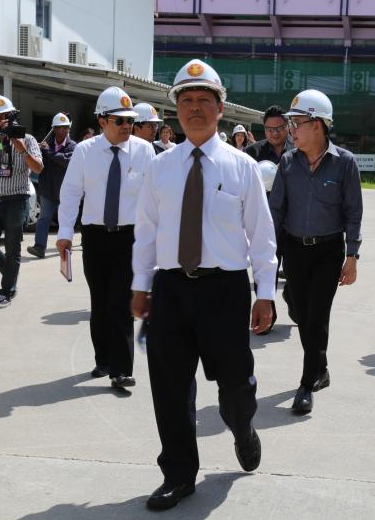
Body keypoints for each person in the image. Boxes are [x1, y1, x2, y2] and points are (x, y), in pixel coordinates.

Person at [130, 58, 276, 511]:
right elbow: (146, 230)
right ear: (176, 109)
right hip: (171, 289)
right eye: (187, 100)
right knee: (170, 387)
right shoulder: (159, 167)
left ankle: (243, 427)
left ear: (220, 108)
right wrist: (141, 284)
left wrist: (265, 293)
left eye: (204, 100)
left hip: (224, 291)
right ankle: (178, 474)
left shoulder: (241, 167)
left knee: (236, 385)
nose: (195, 107)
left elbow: (262, 234)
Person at [269, 89, 363, 414]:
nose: (291, 130)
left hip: (328, 251)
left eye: (297, 123)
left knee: (317, 316)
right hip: (295, 250)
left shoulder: (345, 163)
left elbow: (353, 212)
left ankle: (306, 384)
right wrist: (270, 255)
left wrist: (352, 255)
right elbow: (277, 211)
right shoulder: (287, 162)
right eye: (291, 124)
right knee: (300, 310)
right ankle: (320, 367)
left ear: (319, 125)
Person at [56, 86, 156, 388]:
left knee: (121, 302)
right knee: (99, 302)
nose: (127, 126)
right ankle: (103, 359)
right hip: (95, 237)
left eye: (130, 121)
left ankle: (122, 369)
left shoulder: (144, 151)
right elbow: (71, 193)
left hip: (129, 238)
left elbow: (154, 197)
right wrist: (64, 233)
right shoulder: (85, 152)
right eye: (119, 121)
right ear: (102, 121)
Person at [0, 95, 43, 308]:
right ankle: (10, 273)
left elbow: (38, 168)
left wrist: (20, 146)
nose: (2, 120)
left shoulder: (28, 139)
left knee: (13, 248)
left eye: (6, 116)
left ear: (13, 116)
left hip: (17, 199)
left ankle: (5, 291)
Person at [244, 105, 296, 325]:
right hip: (264, 225)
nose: (274, 133)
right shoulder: (251, 154)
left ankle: (292, 299)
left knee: (295, 275)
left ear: (288, 127)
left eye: (279, 128)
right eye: (269, 129)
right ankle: (267, 315)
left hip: (294, 226)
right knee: (265, 272)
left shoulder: (299, 151)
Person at [27, 113, 76, 258]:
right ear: (53, 129)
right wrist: (37, 150)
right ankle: (39, 247)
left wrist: (48, 152)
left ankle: (66, 246)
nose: (62, 130)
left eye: (65, 128)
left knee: (65, 221)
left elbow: (66, 161)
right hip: (48, 189)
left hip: (65, 191)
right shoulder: (45, 145)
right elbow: (36, 163)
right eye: (59, 127)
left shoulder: (72, 146)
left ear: (69, 129)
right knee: (44, 219)